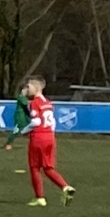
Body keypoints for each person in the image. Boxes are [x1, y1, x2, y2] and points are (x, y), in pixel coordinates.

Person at [18, 76, 75, 207]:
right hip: (50, 137)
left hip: (38, 138)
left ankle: (40, 198)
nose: (27, 89)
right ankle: (65, 187)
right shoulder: (48, 103)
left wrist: (24, 131)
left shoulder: (35, 103)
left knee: (35, 167)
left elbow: (36, 121)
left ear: (36, 88)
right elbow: (52, 123)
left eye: (28, 86)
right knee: (48, 168)